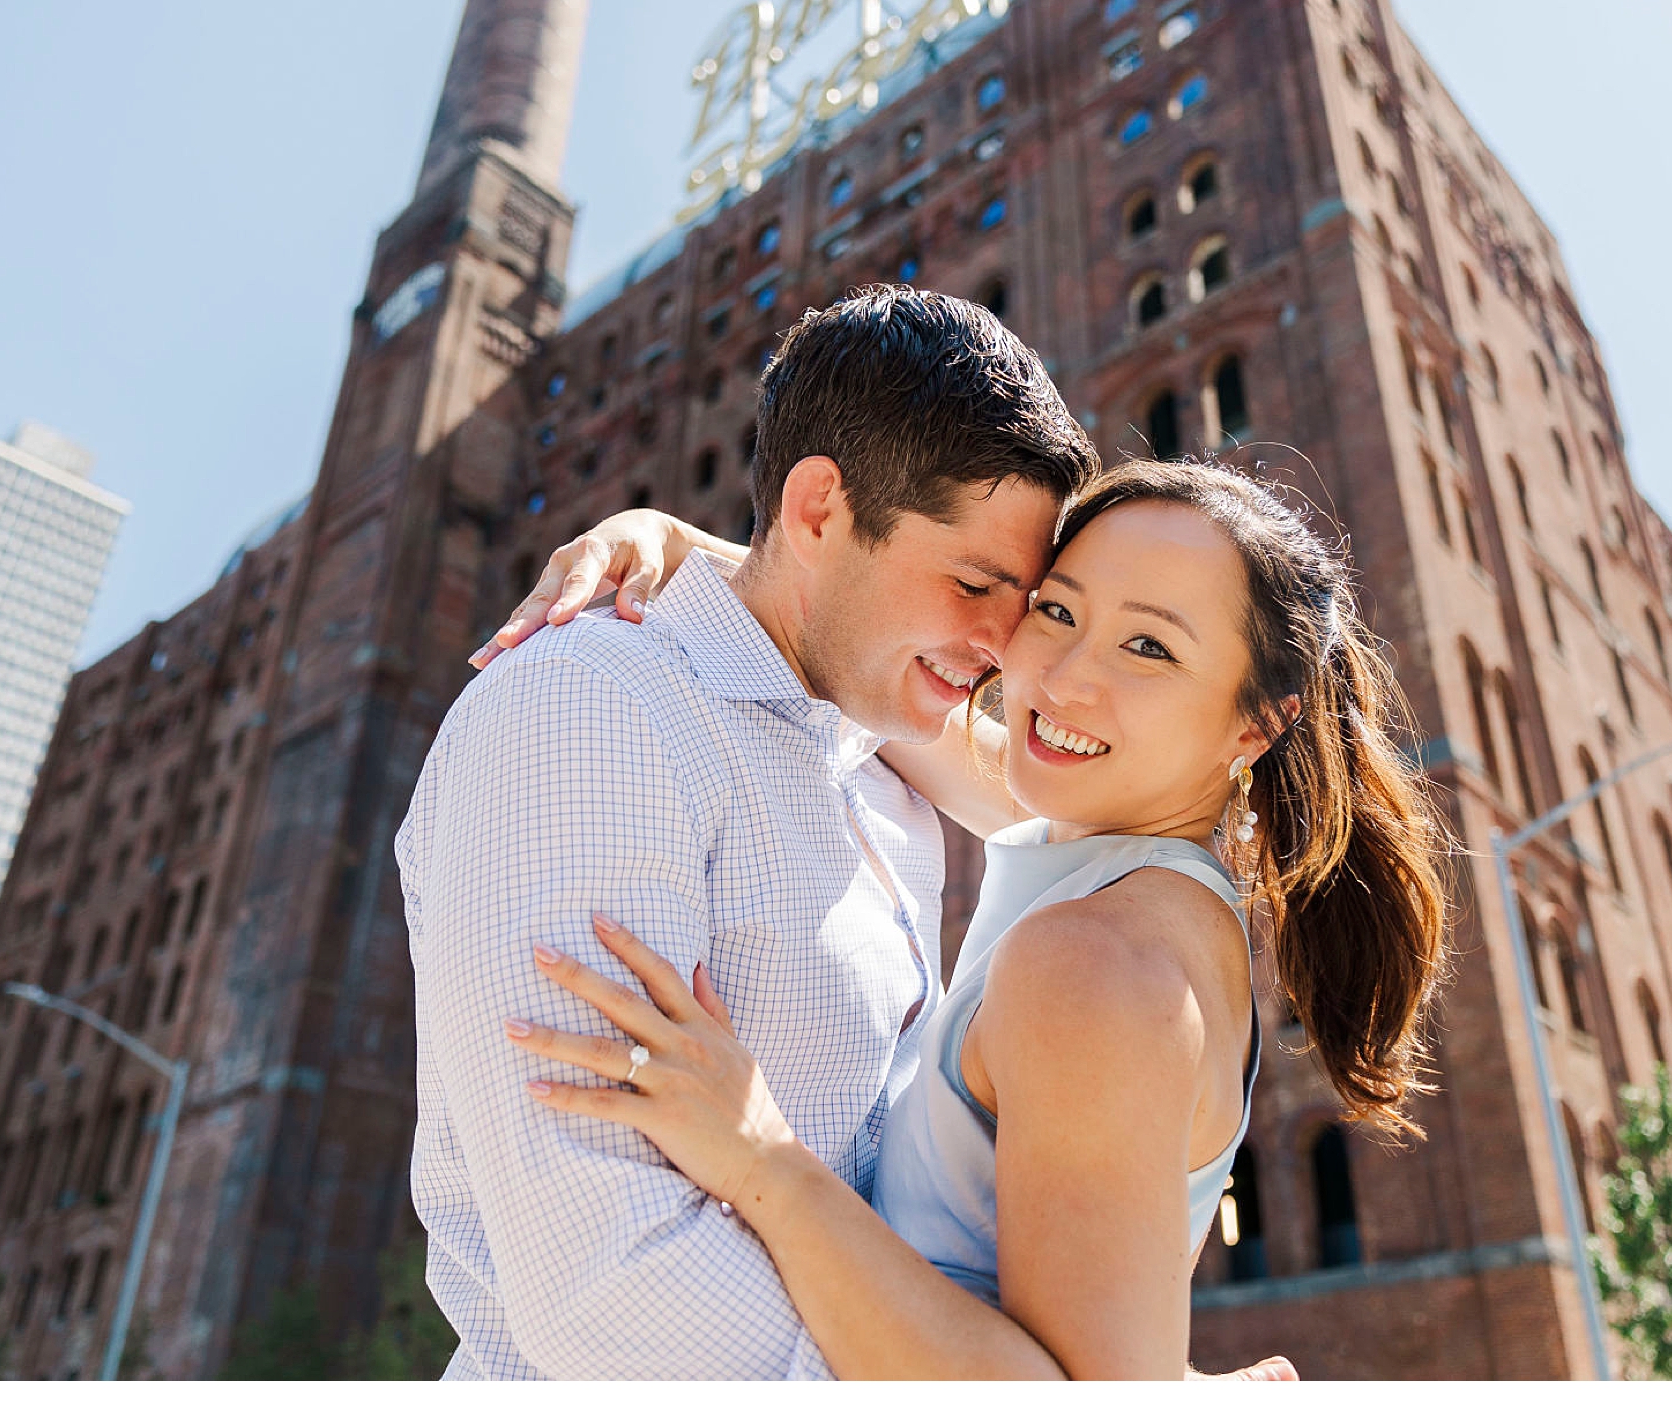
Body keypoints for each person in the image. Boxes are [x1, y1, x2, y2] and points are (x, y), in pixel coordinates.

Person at [479, 459, 1452, 1379]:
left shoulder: (1094, 958)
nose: (1062, 677)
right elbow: (894, 677)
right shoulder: (1117, 852)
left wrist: (760, 1154)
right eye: (1057, 610)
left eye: (1148, 645)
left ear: (1256, 722)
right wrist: (681, 542)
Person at [397, 286, 1097, 1379]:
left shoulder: (886, 766)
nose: (1003, 648)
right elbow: (603, 1274)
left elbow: (1082, 810)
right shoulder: (587, 708)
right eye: (974, 583)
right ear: (819, 510)